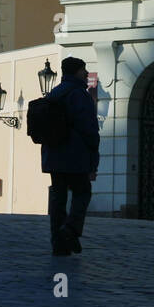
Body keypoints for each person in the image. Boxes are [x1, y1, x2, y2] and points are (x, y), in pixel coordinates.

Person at [40, 57, 100, 256]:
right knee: (82, 192)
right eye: (84, 70)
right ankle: (70, 230)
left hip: (54, 155)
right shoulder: (79, 95)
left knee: (58, 198)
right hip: (75, 156)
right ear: (77, 72)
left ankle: (58, 243)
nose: (86, 73)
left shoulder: (54, 93)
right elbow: (88, 127)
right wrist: (93, 152)